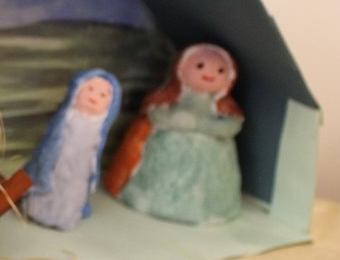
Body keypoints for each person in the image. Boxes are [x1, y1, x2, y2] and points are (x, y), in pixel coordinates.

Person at [105, 43, 244, 225]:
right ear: (180, 70)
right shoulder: (169, 99)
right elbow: (154, 115)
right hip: (167, 156)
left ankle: (207, 210)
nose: (209, 74)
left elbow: (231, 126)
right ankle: (150, 199)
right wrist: (173, 119)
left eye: (220, 71)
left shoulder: (223, 108)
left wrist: (201, 125)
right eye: (200, 66)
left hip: (208, 166)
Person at [23, 69, 121, 230]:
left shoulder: (97, 130)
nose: (94, 96)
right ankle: (37, 212)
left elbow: (95, 156)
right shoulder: (66, 119)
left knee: (72, 193)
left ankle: (65, 218)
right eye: (90, 89)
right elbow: (47, 146)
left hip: (79, 172)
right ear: (77, 90)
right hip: (57, 163)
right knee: (49, 187)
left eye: (103, 95)